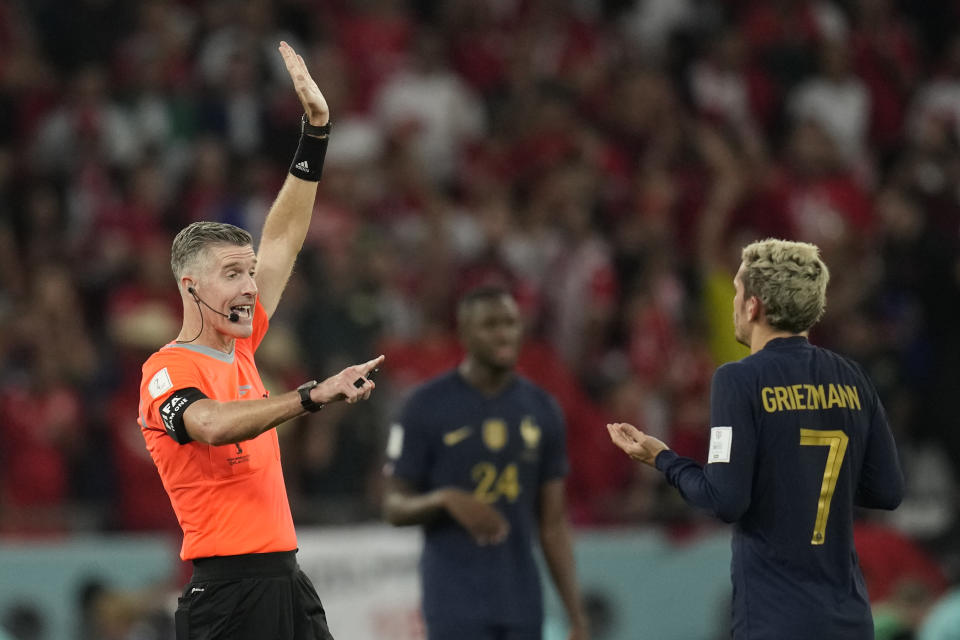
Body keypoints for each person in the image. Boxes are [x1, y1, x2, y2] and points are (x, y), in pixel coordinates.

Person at [137, 42, 383, 640]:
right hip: (228, 593)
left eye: (249, 273)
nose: (251, 285)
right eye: (232, 274)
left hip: (285, 581)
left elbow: (284, 235)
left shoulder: (240, 348)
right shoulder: (165, 372)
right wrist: (309, 398)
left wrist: (316, 133)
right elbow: (213, 425)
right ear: (190, 287)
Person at [607, 238, 904, 640]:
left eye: (736, 291)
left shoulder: (739, 379)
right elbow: (887, 490)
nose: (733, 304)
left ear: (754, 305)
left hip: (775, 618)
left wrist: (663, 459)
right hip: (849, 619)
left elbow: (724, 499)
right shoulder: (852, 376)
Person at [382, 285, 589, 640]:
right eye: (490, 324)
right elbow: (393, 505)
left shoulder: (542, 410)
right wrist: (444, 499)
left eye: (510, 323)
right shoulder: (423, 406)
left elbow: (553, 524)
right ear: (464, 334)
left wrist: (575, 614)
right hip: (453, 601)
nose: (504, 333)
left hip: (521, 600)